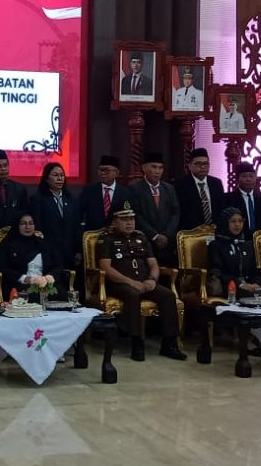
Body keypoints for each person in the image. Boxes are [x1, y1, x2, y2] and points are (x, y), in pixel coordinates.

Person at [96, 203, 186, 361]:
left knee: (168, 295)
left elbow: (153, 264)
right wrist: (130, 282)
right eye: (124, 219)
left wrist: (152, 280)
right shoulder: (106, 239)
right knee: (133, 294)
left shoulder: (141, 237)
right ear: (114, 222)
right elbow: (106, 268)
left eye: (131, 219)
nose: (129, 223)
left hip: (144, 281)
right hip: (119, 284)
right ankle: (137, 342)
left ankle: (170, 344)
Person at [0, 213, 65, 299]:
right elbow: (0, 267)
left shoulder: (42, 244)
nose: (28, 227)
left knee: (61, 294)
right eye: (23, 223)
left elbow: (58, 265)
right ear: (17, 225)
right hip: (19, 284)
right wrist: (25, 279)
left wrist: (49, 276)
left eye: (31, 223)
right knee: (34, 296)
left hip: (43, 283)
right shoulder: (8, 245)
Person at [129, 153, 180, 268]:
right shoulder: (135, 189)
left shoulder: (169, 189)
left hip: (167, 243)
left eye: (160, 168)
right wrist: (155, 236)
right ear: (144, 168)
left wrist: (166, 235)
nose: (157, 171)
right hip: (146, 241)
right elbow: (136, 215)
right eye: (154, 167)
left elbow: (175, 213)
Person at [28, 162, 81, 270]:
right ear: (47, 179)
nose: (60, 178)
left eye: (62, 175)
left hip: (69, 252)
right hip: (49, 252)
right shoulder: (38, 199)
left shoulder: (71, 199)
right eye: (55, 175)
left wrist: (79, 251)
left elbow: (77, 227)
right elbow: (37, 228)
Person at [207, 207, 261, 298]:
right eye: (233, 221)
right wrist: (241, 284)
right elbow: (220, 273)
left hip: (250, 287)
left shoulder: (248, 245)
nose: (237, 225)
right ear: (225, 223)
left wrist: (256, 284)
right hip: (227, 286)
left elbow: (257, 271)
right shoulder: (216, 245)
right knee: (248, 296)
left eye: (240, 221)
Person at [174, 147, 225, 231]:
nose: (202, 167)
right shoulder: (180, 185)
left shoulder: (216, 183)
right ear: (190, 166)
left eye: (205, 163)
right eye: (198, 164)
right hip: (190, 232)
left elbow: (221, 209)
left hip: (214, 231)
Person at [79, 155, 134, 231]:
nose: (103, 173)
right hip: (93, 235)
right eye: (100, 170)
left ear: (117, 173)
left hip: (116, 235)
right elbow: (78, 213)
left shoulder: (125, 193)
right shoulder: (89, 191)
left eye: (107, 170)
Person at [223, 162, 261, 236]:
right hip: (237, 239)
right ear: (237, 179)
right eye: (244, 176)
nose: (248, 179)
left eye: (251, 176)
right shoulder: (227, 199)